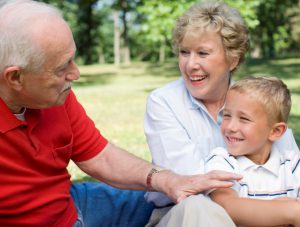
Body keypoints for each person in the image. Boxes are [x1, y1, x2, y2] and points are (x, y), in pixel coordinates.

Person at [0, 0, 243, 226]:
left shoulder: (55, 96)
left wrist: (169, 180)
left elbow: (100, 156)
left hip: (72, 200)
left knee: (176, 202)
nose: (76, 74)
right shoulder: (165, 101)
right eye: (62, 67)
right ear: (15, 77)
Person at [144, 1, 299, 226]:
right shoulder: (163, 102)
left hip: (266, 215)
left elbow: (288, 162)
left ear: (232, 59)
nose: (191, 64)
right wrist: (290, 211)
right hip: (184, 214)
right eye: (184, 52)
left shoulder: (259, 104)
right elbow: (196, 186)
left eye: (203, 53)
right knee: (198, 205)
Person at [204, 76, 300, 226]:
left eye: (244, 119)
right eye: (227, 116)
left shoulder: (292, 163)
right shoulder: (222, 161)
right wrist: (289, 210)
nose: (230, 127)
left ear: (275, 131)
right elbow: (226, 207)